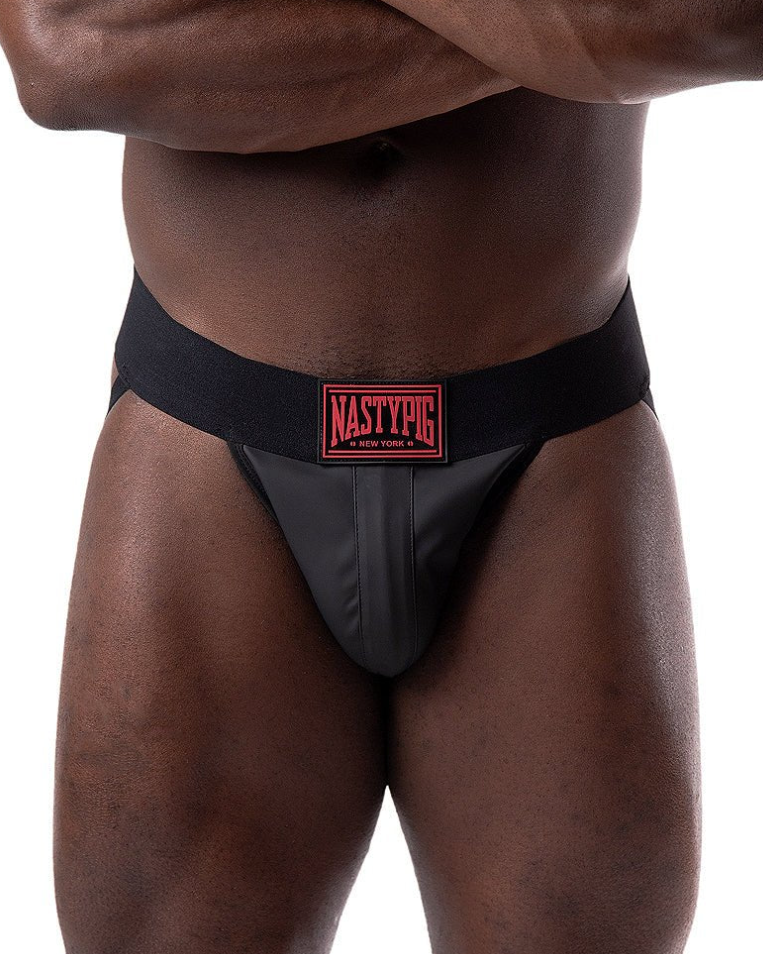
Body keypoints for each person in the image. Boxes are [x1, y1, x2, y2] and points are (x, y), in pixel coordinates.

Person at [2, 3, 760, 952]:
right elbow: (72, 52)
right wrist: (586, 42)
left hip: (546, 447)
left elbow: (724, 18)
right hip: (210, 434)